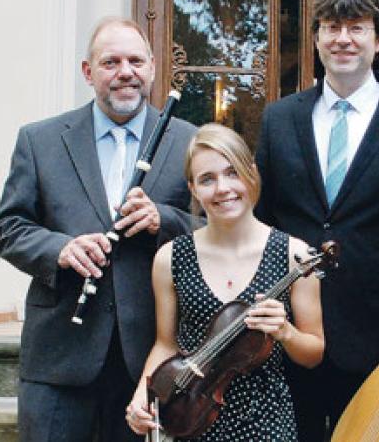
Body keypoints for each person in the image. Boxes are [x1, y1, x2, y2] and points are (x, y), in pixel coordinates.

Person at [0, 17, 197, 441]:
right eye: (111, 62)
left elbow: (220, 228)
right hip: (59, 356)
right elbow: (7, 228)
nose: (126, 72)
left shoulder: (188, 141)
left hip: (148, 361)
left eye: (136, 61)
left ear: (153, 68)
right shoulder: (40, 140)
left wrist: (165, 220)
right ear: (89, 72)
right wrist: (59, 249)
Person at [254, 0, 379, 439]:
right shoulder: (279, 121)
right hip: (292, 337)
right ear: (316, 37)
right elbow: (261, 220)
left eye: (356, 27)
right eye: (331, 27)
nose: (342, 39)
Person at [126, 123, 325, 440]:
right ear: (193, 189)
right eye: (207, 179)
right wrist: (142, 395)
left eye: (232, 173)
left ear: (252, 174)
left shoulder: (294, 254)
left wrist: (285, 331)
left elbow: (314, 352)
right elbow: (166, 343)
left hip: (266, 420)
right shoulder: (170, 257)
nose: (222, 188)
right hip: (190, 415)